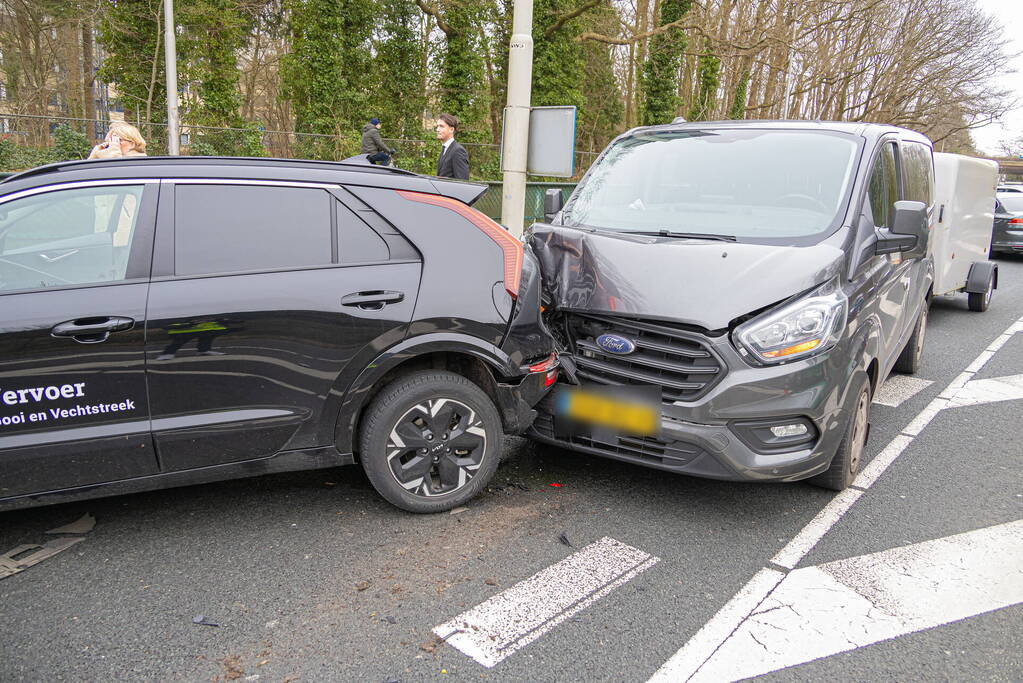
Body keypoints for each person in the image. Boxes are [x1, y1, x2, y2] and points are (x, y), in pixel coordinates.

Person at [435, 113, 469, 180]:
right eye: (437, 126)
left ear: (451, 129)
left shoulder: (458, 151)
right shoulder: (444, 149)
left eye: (441, 126)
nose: (437, 130)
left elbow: (463, 182)